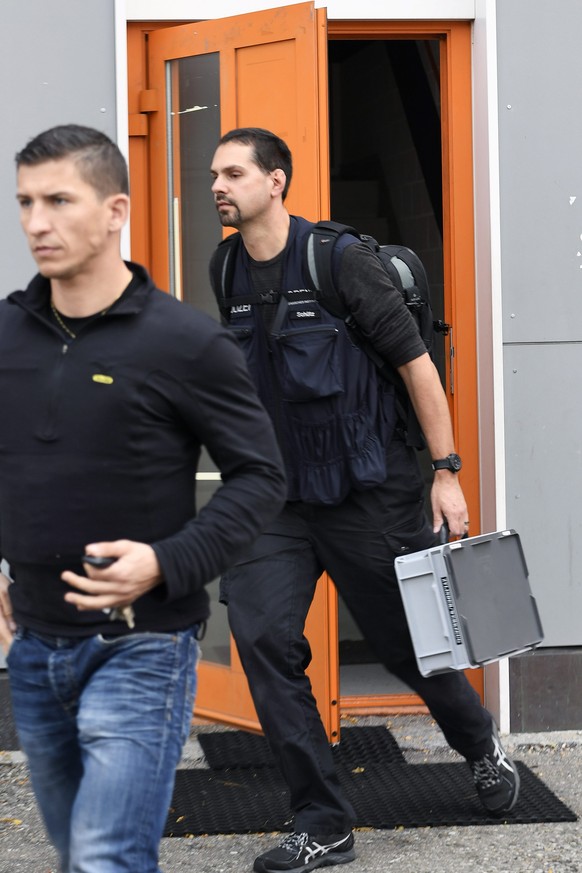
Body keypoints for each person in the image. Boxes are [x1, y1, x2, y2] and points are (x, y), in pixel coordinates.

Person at [209, 128, 520, 873]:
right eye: (213, 173)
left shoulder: (341, 261)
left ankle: (478, 743)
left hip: (367, 489)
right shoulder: (225, 267)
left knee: (408, 643)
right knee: (261, 638)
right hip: (277, 497)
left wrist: (446, 469)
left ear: (276, 181)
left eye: (232, 172)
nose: (217, 184)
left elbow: (416, 365)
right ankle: (324, 818)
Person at [0, 124, 286, 873]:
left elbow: (261, 475)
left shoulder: (185, 342)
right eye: (26, 201)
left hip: (142, 645)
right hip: (33, 647)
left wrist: (166, 560)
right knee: (78, 855)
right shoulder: (5, 335)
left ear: (116, 210)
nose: (36, 222)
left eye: (60, 200)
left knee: (105, 857)